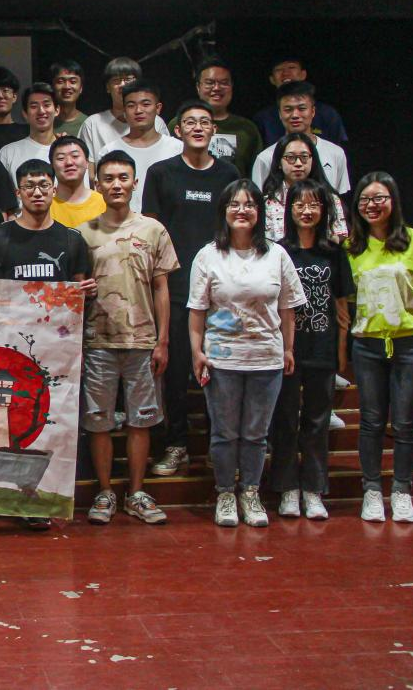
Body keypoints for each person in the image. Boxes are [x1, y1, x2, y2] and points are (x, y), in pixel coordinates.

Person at [0, 157, 93, 530]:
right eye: (29, 186)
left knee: (51, 423)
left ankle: (45, 496)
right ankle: (7, 496)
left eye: (44, 185)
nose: (38, 192)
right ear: (18, 192)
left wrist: (85, 292)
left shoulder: (72, 240)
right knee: (13, 424)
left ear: (54, 189)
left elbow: (80, 291)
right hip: (11, 352)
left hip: (58, 355)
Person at [189, 180, 306, 528]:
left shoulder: (277, 254)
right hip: (221, 360)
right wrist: (196, 352)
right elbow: (196, 310)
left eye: (250, 204)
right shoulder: (208, 255)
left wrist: (288, 348)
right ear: (224, 211)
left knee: (256, 434)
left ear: (260, 212)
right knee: (224, 433)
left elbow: (288, 307)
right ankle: (226, 493)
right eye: (235, 204)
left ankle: (250, 493)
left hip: (266, 358)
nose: (242, 211)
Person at [77, 151, 178, 525]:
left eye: (123, 178)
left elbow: (161, 288)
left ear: (135, 183)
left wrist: (162, 340)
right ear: (97, 184)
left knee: (141, 421)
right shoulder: (83, 233)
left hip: (142, 342)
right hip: (97, 342)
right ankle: (104, 492)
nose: (116, 184)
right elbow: (75, 289)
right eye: (108, 178)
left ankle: (135, 493)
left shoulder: (153, 230)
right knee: (98, 421)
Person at [142, 100, 240, 477]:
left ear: (214, 130)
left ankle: (219, 446)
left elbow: (238, 227)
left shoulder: (229, 174)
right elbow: (152, 232)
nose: (198, 127)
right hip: (176, 288)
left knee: (221, 372)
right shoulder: (161, 173)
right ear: (177, 130)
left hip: (221, 291)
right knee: (176, 372)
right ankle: (177, 445)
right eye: (190, 122)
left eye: (205, 122)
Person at [347, 172, 413, 523]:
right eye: (365, 199)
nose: (371, 205)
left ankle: (401, 491)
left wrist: (404, 321)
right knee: (371, 421)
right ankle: (372, 490)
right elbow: (348, 300)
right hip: (368, 345)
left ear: (393, 201)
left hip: (412, 343)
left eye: (379, 198)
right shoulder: (351, 247)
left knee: (405, 423)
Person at [266, 179, 354, 521]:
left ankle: (314, 490)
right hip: (286, 350)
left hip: (322, 347)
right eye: (300, 204)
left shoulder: (334, 252)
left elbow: (342, 308)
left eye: (314, 204)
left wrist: (341, 350)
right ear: (289, 209)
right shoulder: (278, 250)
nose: (307, 210)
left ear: (324, 210)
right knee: (285, 419)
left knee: (317, 421)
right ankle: (288, 488)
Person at [166, 57, 262, 177]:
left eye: (224, 83)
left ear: (232, 86)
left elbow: (257, 174)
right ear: (198, 87)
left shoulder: (247, 128)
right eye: (209, 83)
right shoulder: (180, 124)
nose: (216, 88)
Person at [252, 81, 350, 196]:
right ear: (279, 114)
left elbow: (342, 198)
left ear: (313, 111)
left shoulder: (336, 153)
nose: (295, 115)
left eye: (302, 108)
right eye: (288, 109)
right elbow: (258, 200)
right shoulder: (265, 158)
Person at [101, 80, 182, 211]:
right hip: (123, 220)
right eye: (131, 105)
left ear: (158, 108)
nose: (138, 110)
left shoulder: (178, 148)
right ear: (124, 111)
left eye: (146, 104)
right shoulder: (110, 151)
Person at [260, 133, 348, 243]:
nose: (298, 163)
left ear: (313, 160)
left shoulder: (329, 198)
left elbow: (339, 237)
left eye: (304, 157)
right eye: (290, 157)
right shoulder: (267, 202)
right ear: (279, 162)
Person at [77, 57, 167, 161]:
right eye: (116, 80)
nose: (123, 85)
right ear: (107, 87)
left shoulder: (156, 122)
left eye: (128, 79)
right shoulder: (92, 124)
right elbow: (86, 166)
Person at [253, 56, 349, 145]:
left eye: (291, 67)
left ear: (303, 74)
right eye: (279, 69)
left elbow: (339, 148)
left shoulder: (328, 114)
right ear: (272, 79)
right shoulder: (263, 118)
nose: (285, 73)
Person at [0, 82, 61, 186]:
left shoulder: (70, 152)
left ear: (57, 110)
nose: (41, 111)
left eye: (46, 105)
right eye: (34, 106)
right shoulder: (8, 153)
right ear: (25, 114)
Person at [49, 136, 106, 228]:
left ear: (87, 162)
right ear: (52, 166)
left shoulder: (105, 203)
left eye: (75, 156)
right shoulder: (44, 207)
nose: (69, 162)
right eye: (61, 158)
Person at [50, 59, 88, 136]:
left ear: (81, 88)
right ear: (53, 86)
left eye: (73, 82)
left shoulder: (88, 124)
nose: (67, 86)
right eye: (60, 82)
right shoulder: (44, 122)